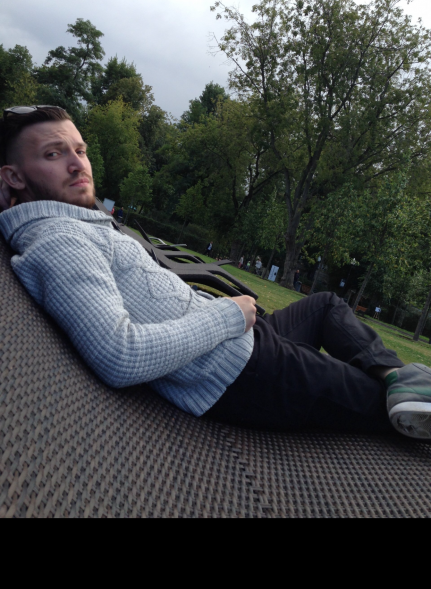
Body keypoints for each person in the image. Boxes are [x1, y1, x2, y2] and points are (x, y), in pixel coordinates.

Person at [0, 106, 431, 441]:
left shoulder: (72, 224)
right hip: (243, 373)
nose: (77, 164)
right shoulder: (60, 240)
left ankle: (397, 375)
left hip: (240, 344)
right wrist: (227, 315)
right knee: (379, 402)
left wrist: (230, 319)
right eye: (53, 154)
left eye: (80, 150)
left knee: (327, 306)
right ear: (14, 176)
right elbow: (120, 355)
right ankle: (404, 389)